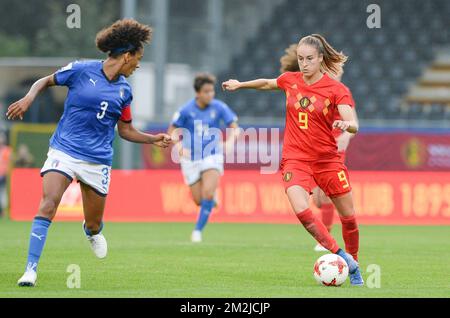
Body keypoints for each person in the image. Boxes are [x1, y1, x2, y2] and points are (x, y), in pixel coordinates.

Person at [6, 19, 171, 287]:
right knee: (48, 205)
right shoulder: (81, 70)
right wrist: (28, 97)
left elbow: (126, 130)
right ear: (127, 55)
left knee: (94, 223)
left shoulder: (124, 92)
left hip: (97, 160)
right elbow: (45, 81)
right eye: (138, 59)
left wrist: (153, 139)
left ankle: (91, 231)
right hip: (65, 149)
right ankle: (30, 270)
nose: (138, 65)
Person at [222, 34, 364, 285]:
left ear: (321, 58)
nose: (304, 64)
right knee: (301, 209)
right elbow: (267, 83)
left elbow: (353, 122)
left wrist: (347, 125)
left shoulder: (336, 89)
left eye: (309, 59)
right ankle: (342, 256)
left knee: (349, 217)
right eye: (300, 59)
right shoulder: (291, 80)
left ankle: (354, 262)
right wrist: (239, 84)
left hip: (327, 160)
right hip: (295, 158)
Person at [280, 43, 359, 252]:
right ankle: (326, 236)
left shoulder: (341, 92)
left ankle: (327, 237)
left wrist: (346, 136)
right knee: (317, 199)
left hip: (331, 150)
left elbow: (353, 121)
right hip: (306, 150)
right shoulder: (310, 85)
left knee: (325, 197)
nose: (338, 75)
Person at [168, 73, 239, 243]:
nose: (210, 95)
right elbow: (172, 130)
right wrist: (178, 146)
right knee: (199, 200)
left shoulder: (219, 107)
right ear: (197, 93)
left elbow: (234, 126)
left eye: (211, 91)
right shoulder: (185, 110)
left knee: (207, 193)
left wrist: (230, 141)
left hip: (212, 154)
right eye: (206, 92)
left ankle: (197, 231)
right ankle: (211, 199)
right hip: (190, 158)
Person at [0, 132, 11, 216]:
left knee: (3, 194)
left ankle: (4, 211)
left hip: (4, 175)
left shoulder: (7, 150)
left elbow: (10, 162)